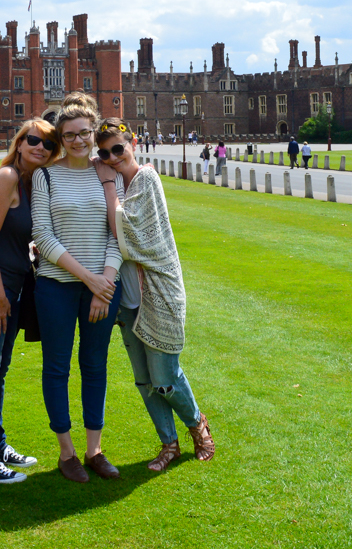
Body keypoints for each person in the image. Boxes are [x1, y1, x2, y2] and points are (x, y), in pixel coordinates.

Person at [95, 120, 215, 471]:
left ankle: (197, 425)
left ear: (133, 142)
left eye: (118, 148)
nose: (113, 156)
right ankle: (169, 444)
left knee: (165, 378)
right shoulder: (117, 183)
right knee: (145, 381)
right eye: (105, 152)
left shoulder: (145, 178)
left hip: (159, 291)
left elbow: (125, 230)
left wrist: (104, 183)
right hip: (127, 299)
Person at [32, 92, 123, 484]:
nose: (78, 141)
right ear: (60, 137)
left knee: (95, 365)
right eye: (69, 135)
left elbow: (118, 234)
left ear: (94, 132)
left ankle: (94, 449)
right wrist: (89, 279)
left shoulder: (108, 174)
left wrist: (106, 280)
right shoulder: (45, 176)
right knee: (57, 367)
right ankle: (67, 452)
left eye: (85, 133)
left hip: (103, 286)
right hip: (57, 286)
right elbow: (43, 235)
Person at [0, 117, 58, 484]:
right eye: (33, 140)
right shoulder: (5, 179)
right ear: (19, 143)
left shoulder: (30, 184)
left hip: (13, 286)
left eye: (48, 145)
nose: (40, 147)